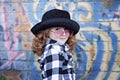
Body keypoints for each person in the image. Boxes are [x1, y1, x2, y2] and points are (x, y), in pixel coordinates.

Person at [31, 9, 80, 80]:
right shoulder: (54, 51)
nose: (63, 33)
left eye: (66, 29)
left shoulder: (59, 49)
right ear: (46, 33)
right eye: (57, 29)